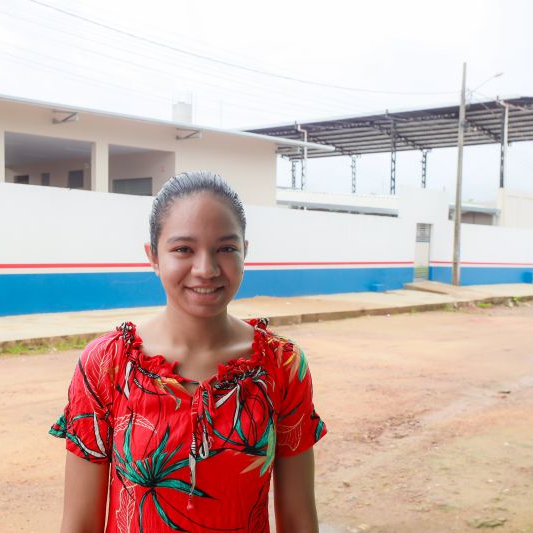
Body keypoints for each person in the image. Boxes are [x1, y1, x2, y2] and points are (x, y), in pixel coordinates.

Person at [50, 170, 326, 532]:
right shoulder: (106, 364)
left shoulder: (281, 365)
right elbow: (80, 524)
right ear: (153, 256)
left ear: (246, 253)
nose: (206, 269)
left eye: (226, 248)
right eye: (183, 249)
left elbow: (298, 518)